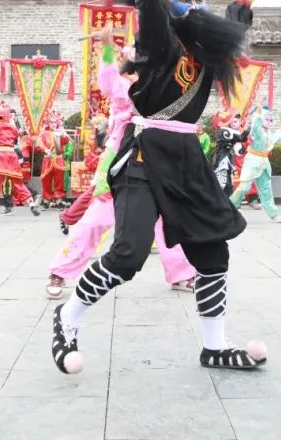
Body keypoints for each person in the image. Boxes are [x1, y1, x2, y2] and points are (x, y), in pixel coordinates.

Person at [52, 0, 266, 374]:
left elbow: (233, 25)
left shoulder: (207, 47)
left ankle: (214, 345)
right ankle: (67, 319)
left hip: (188, 159)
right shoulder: (157, 40)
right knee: (128, 253)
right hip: (144, 155)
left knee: (213, 252)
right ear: (166, 4)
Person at [46, 25, 196, 298]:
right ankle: (60, 271)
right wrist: (106, 48)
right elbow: (107, 83)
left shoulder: (167, 88)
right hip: (123, 161)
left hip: (159, 161)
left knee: (168, 220)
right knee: (96, 220)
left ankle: (182, 274)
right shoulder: (124, 88)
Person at [229, 104, 281, 222]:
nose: (269, 122)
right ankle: (228, 207)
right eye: (267, 119)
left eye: (271, 120)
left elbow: (274, 139)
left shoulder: (268, 133)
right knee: (243, 188)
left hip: (264, 163)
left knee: (266, 190)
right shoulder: (256, 131)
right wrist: (258, 114)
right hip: (252, 161)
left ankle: (274, 215)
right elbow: (255, 125)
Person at [212, 111, 248, 196]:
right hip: (223, 159)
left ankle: (227, 200)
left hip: (227, 158)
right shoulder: (225, 131)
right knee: (223, 182)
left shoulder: (224, 130)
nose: (232, 123)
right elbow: (241, 137)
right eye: (231, 121)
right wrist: (248, 129)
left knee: (228, 181)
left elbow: (242, 139)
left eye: (235, 121)